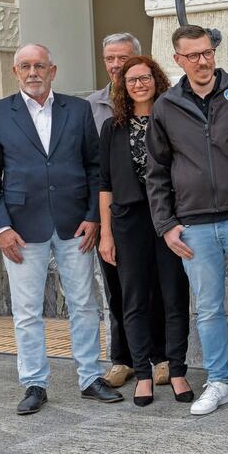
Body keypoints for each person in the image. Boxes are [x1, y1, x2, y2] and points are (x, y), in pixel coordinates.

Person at [0, 43, 124, 414]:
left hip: (76, 224)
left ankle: (91, 377)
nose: (32, 72)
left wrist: (93, 215)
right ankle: (34, 383)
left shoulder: (76, 109)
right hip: (21, 229)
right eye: (25, 66)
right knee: (27, 311)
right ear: (15, 72)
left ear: (52, 71)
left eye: (39, 66)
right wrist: (0, 228)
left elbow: (95, 168)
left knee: (85, 305)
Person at [145, 25, 228, 416]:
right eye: (193, 56)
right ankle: (218, 382)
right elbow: (156, 171)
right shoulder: (166, 106)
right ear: (178, 60)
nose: (203, 62)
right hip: (193, 225)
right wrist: (166, 224)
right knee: (207, 308)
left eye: (207, 53)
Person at [98, 55, 193, 407]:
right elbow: (104, 183)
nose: (139, 84)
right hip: (128, 220)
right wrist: (106, 233)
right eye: (132, 80)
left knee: (173, 293)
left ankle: (177, 368)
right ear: (123, 86)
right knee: (133, 298)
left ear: (157, 80)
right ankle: (142, 374)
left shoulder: (170, 118)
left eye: (145, 77)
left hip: (169, 217)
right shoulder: (112, 128)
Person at [87, 32, 171, 389]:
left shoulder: (163, 104)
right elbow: (95, 169)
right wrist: (97, 221)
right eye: (110, 59)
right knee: (119, 288)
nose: (116, 65)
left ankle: (161, 355)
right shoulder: (90, 106)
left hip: (158, 210)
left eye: (123, 58)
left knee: (160, 286)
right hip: (113, 213)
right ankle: (123, 359)